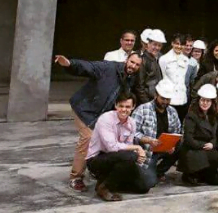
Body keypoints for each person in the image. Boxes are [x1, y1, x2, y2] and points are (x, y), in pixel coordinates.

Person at [55, 52, 142, 192]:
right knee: (88, 138)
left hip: (100, 115)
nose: (133, 66)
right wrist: (70, 64)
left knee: (105, 140)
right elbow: (89, 67)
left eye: (137, 65)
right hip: (84, 108)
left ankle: (96, 168)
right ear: (126, 60)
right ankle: (76, 177)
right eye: (132, 62)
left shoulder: (131, 78)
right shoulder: (109, 67)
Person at [85, 91, 148, 201]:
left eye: (128, 107)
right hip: (97, 159)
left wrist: (139, 155)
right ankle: (104, 187)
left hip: (118, 157)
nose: (124, 110)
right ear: (115, 105)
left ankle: (108, 180)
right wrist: (137, 148)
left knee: (143, 187)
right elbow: (111, 147)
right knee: (131, 156)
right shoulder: (105, 119)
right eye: (121, 106)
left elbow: (127, 146)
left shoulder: (132, 123)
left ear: (133, 107)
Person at [131, 79, 182, 188]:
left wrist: (172, 144)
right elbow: (132, 133)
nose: (165, 102)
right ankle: (149, 171)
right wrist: (148, 140)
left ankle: (159, 171)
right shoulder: (142, 110)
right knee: (149, 183)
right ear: (156, 95)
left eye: (168, 99)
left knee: (182, 145)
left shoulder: (172, 111)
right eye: (163, 98)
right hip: (147, 150)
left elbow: (177, 131)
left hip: (164, 147)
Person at [177, 84, 218, 185]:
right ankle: (191, 174)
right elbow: (188, 138)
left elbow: (214, 135)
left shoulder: (212, 115)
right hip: (193, 149)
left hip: (207, 148)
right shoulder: (191, 115)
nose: (205, 103)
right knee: (217, 157)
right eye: (203, 100)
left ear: (212, 102)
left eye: (208, 101)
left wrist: (212, 144)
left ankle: (203, 173)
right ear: (199, 100)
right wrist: (203, 146)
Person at [158, 33, 192, 121]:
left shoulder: (186, 60)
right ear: (172, 43)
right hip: (169, 98)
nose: (179, 46)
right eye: (177, 43)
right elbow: (162, 76)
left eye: (181, 44)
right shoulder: (164, 59)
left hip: (182, 98)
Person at [134, 28, 165, 105]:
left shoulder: (162, 58)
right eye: (154, 44)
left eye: (159, 45)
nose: (157, 48)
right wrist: (147, 103)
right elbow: (139, 86)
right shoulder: (143, 60)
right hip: (148, 100)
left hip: (159, 99)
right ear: (148, 44)